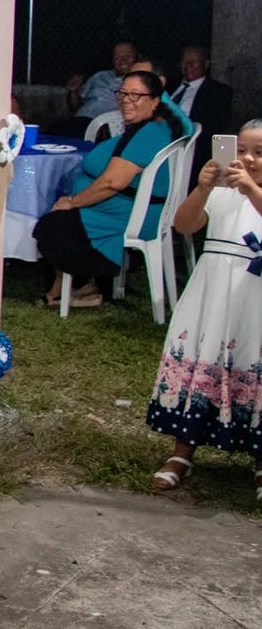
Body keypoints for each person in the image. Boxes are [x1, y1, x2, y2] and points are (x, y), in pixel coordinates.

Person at [145, 118, 262, 498]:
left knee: (251, 360)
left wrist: (252, 190)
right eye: (241, 150)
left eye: (259, 153)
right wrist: (202, 187)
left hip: (253, 293)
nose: (248, 159)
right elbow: (184, 225)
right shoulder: (222, 191)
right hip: (212, 287)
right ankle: (182, 451)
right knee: (203, 355)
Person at [34, 70, 190, 308]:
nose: (126, 100)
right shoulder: (153, 127)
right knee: (58, 216)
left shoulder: (149, 133)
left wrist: (73, 202)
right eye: (123, 93)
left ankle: (73, 288)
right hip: (126, 208)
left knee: (53, 225)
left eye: (136, 95)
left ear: (155, 101)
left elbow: (112, 182)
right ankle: (82, 286)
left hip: (130, 215)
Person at [169, 45, 234, 186]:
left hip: (192, 148)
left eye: (194, 62)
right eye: (184, 62)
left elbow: (216, 126)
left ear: (206, 64)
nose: (188, 65)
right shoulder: (169, 86)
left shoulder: (219, 92)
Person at [56, 40, 137, 137]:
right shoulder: (99, 76)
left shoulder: (138, 82)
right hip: (80, 120)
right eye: (117, 57)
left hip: (105, 126)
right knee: (53, 133)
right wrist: (74, 92)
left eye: (128, 56)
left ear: (136, 58)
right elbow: (76, 107)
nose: (123, 60)